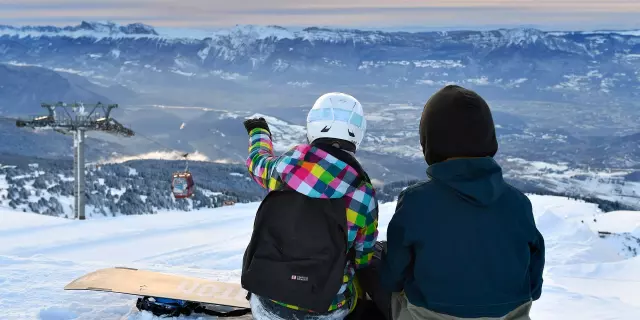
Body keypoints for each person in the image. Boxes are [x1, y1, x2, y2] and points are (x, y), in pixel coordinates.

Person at [380, 85, 545, 320]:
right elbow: (534, 286)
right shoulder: (519, 204)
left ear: (429, 140)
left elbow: (391, 277)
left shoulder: (416, 202)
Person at [241, 92, 380, 320]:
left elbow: (257, 161)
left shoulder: (284, 170)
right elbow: (363, 257)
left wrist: (259, 132)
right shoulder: (361, 193)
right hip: (327, 308)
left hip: (266, 302)